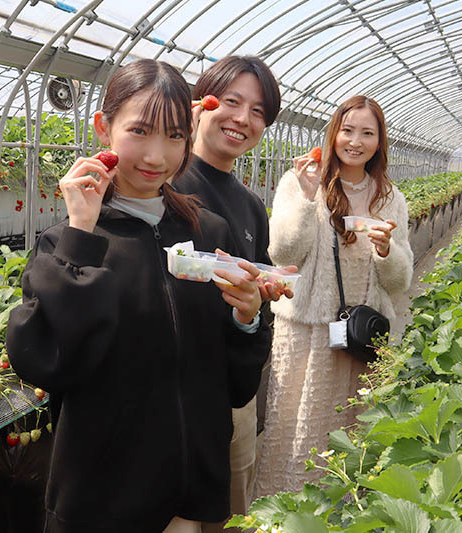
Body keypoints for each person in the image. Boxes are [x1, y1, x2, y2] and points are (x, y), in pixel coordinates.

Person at [6, 58, 270, 533]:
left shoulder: (208, 231)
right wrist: (80, 232)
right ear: (103, 128)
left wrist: (247, 320)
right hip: (105, 497)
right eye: (140, 131)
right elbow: (45, 360)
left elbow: (236, 382)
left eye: (174, 137)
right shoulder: (67, 242)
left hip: (188, 493)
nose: (156, 157)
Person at [254, 95, 413, 496]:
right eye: (347, 130)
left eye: (367, 133)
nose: (355, 141)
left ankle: (342, 513)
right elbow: (283, 253)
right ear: (333, 133)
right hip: (307, 334)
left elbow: (400, 281)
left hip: (362, 337)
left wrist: (385, 250)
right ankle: (286, 511)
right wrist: (308, 199)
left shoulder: (391, 198)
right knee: (297, 427)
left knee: (352, 431)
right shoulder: (301, 181)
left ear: (380, 142)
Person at [173, 55, 290, 531]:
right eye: (233, 102)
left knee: (232, 511)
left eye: (259, 111)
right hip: (169, 399)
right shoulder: (163, 184)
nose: (243, 119)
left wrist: (259, 296)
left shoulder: (249, 206)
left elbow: (250, 298)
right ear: (201, 104)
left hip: (230, 395)